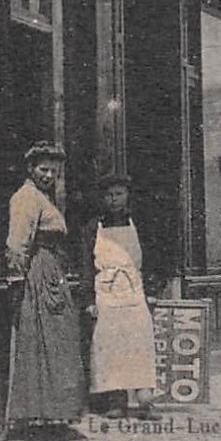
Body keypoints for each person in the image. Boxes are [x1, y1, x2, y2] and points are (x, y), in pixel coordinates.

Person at [5, 141, 86, 436]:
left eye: (54, 171)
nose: (49, 175)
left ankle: (52, 415)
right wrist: (18, 281)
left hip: (51, 270)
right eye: (43, 169)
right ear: (30, 168)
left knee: (57, 342)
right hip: (37, 274)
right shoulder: (26, 198)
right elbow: (17, 243)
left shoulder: (42, 197)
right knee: (42, 341)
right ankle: (38, 417)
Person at [79, 171, 158, 419]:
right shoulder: (94, 227)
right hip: (106, 291)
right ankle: (116, 400)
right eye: (109, 195)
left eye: (119, 194)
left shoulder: (141, 223)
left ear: (128, 196)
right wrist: (89, 300)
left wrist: (153, 291)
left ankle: (145, 399)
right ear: (103, 198)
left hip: (134, 290)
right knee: (110, 345)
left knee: (139, 342)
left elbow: (153, 257)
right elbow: (85, 264)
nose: (114, 200)